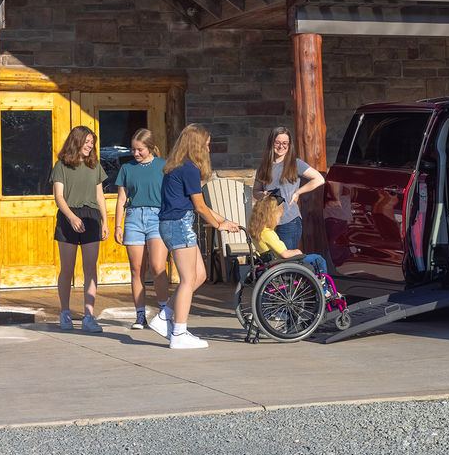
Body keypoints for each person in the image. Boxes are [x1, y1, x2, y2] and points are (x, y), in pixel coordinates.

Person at [156, 123, 240, 349]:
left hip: (178, 223)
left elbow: (199, 205)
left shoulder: (180, 166)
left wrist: (223, 221)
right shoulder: (189, 168)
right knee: (187, 280)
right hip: (178, 224)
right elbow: (200, 207)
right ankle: (178, 333)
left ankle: (164, 317)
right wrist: (218, 226)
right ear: (196, 145)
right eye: (206, 145)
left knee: (199, 276)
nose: (208, 149)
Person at [51, 125, 108, 332]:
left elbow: (100, 196)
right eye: (87, 142)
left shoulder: (95, 166)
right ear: (77, 141)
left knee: (90, 269)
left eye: (92, 143)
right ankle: (65, 312)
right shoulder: (61, 165)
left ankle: (89, 316)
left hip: (91, 217)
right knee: (67, 269)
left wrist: (106, 221)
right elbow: (58, 196)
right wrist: (72, 217)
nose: (90, 146)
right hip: (69, 217)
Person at [113, 128, 169, 331]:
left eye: (140, 150)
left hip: (157, 218)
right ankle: (140, 316)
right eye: (133, 150)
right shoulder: (127, 168)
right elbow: (121, 199)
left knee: (157, 267)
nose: (136, 154)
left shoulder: (164, 167)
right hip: (133, 219)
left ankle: (165, 313)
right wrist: (118, 225)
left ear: (151, 147)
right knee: (137, 270)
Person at [245, 191, 334, 298]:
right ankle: (324, 290)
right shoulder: (268, 233)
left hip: (272, 264)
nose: (279, 220)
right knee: (318, 259)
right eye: (279, 217)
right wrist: (298, 252)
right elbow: (284, 254)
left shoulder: (257, 232)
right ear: (271, 216)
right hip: (281, 264)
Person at [251, 126, 324, 250]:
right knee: (272, 263)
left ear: (289, 145)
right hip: (267, 224)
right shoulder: (264, 166)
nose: (281, 146)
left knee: (287, 263)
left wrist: (297, 193)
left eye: (285, 143)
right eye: (277, 142)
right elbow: (255, 191)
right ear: (271, 143)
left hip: (289, 222)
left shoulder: (295, 163)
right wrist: (262, 195)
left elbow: (319, 179)